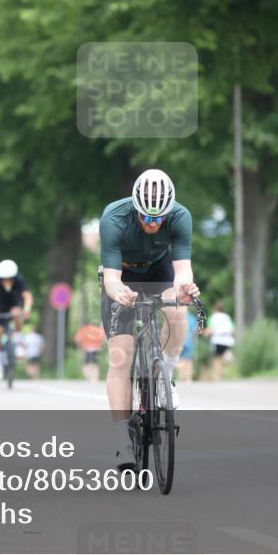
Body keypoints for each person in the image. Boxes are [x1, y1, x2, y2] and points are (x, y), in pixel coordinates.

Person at [99, 169, 200, 470]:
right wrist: (120, 293)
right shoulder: (114, 219)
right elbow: (112, 279)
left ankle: (165, 374)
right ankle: (123, 442)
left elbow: (182, 270)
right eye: (146, 218)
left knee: (177, 310)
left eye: (159, 219)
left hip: (158, 271)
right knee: (121, 356)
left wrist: (185, 288)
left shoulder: (181, 217)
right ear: (136, 208)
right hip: (122, 276)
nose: (152, 224)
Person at [0, 259, 34, 379]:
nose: (8, 282)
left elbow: (27, 296)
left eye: (10, 279)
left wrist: (27, 309)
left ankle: (17, 344)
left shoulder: (19, 281)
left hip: (14, 306)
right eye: (5, 279)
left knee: (17, 314)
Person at [204, 300, 235, 381]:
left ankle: (218, 375)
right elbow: (232, 330)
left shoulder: (213, 317)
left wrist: (205, 334)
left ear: (215, 308)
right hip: (227, 340)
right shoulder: (227, 317)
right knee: (223, 357)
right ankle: (222, 371)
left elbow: (209, 330)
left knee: (217, 359)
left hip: (217, 340)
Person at [179, 309, 198, 384]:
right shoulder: (192, 318)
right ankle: (188, 378)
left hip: (180, 341)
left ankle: (182, 376)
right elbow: (195, 331)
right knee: (189, 360)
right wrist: (195, 340)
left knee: (181, 359)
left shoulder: (179, 317)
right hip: (189, 341)